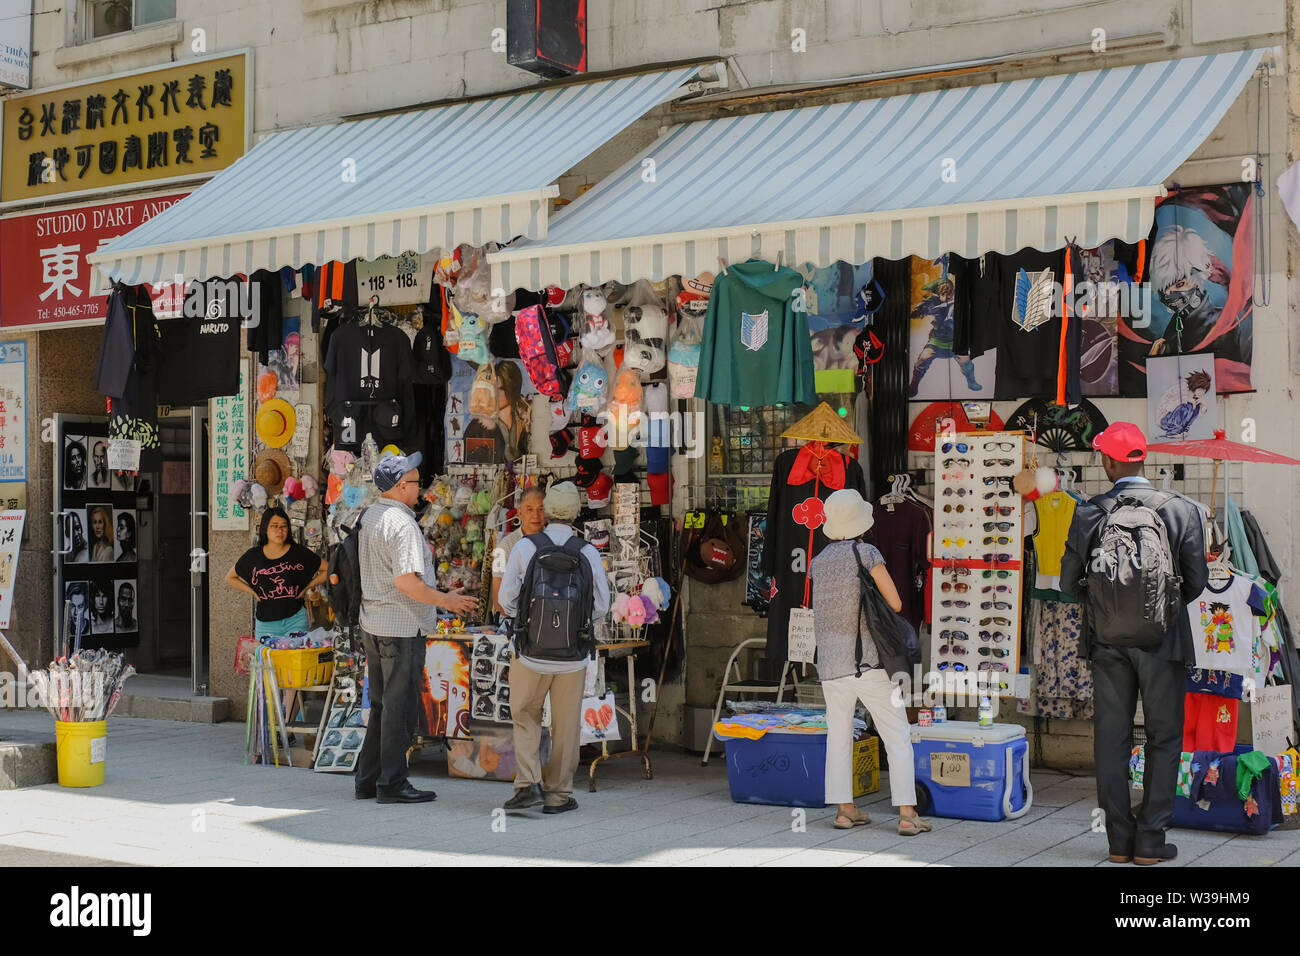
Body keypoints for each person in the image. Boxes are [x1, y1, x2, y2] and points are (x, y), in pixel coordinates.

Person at [1060, 422, 1207, 865]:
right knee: (1164, 738)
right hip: (1164, 642)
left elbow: (1069, 585)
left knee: (1111, 739)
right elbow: (1196, 583)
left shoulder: (1089, 512)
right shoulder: (1181, 510)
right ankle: (1151, 840)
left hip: (1106, 643)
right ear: (1143, 459)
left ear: (1108, 461)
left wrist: (1109, 606)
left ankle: (1118, 843)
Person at [353, 451, 478, 805]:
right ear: (400, 486)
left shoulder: (371, 516)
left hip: (374, 623)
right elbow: (407, 582)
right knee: (399, 707)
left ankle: (368, 778)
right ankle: (392, 783)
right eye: (415, 481)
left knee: (381, 704)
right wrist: (447, 601)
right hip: (402, 627)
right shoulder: (402, 524)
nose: (419, 487)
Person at [810, 488, 931, 836]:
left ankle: (845, 811)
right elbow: (894, 603)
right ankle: (908, 815)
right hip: (869, 664)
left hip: (831, 667)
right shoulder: (867, 552)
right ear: (861, 521)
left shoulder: (819, 562)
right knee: (897, 734)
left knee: (839, 735)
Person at [498, 481, 610, 815]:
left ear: (547, 511)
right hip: (572, 658)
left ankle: (526, 785)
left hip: (530, 654)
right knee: (566, 726)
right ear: (576, 512)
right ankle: (558, 795)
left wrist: (530, 623)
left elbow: (506, 600)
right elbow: (601, 605)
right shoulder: (588, 552)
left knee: (525, 716)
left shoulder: (525, 547)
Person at [224, 508, 327, 641]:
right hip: (266, 624)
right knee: (268, 661)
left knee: (296, 661)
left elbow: (327, 569)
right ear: (265, 529)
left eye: (284, 526)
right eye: (274, 526)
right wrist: (253, 592)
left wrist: (307, 587)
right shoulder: (253, 555)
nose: (280, 531)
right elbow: (230, 577)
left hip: (295, 619)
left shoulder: (299, 553)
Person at [490, 487, 546, 614]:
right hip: (516, 621)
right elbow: (498, 598)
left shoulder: (554, 543)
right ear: (520, 513)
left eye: (541, 509)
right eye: (529, 509)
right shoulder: (504, 546)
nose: (535, 515)